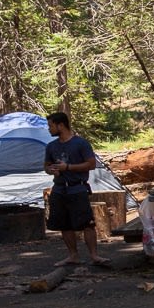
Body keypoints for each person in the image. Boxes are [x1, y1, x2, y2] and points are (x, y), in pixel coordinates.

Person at [43, 111, 108, 267]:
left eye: (51, 126)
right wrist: (52, 170)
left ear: (61, 125)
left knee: (87, 223)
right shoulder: (51, 146)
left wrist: (68, 167)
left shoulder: (80, 143)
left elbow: (91, 164)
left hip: (77, 188)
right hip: (59, 189)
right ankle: (73, 255)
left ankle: (94, 255)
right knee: (64, 224)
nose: (49, 129)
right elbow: (46, 166)